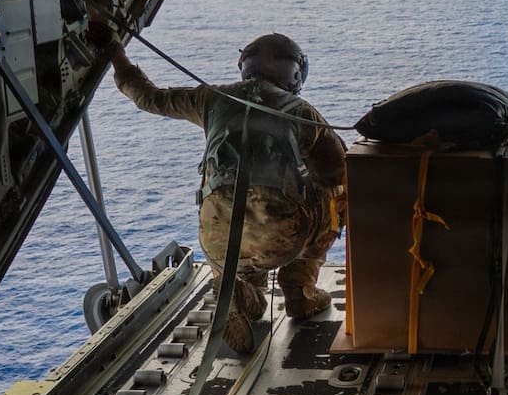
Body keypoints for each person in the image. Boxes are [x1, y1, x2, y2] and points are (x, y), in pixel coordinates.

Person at [106, 32, 346, 353]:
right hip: (280, 240)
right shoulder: (300, 112)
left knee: (226, 211)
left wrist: (116, 53)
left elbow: (146, 96)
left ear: (244, 67)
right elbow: (340, 172)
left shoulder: (210, 99)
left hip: (217, 242)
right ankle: (298, 290)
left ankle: (240, 290)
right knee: (335, 197)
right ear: (296, 75)